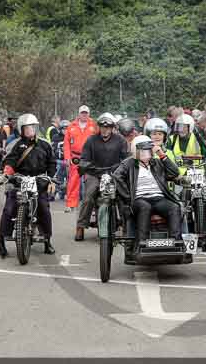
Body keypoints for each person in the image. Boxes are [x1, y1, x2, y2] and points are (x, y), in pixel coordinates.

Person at [112, 135, 182, 263]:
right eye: (143, 150)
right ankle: (141, 244)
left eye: (148, 150)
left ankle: (175, 243)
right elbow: (116, 176)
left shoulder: (156, 163)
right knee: (145, 207)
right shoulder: (128, 163)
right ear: (135, 152)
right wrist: (128, 197)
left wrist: (162, 154)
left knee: (174, 207)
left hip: (158, 198)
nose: (147, 153)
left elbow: (174, 173)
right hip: (139, 199)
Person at [0, 114, 57, 257]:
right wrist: (7, 173)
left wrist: (51, 179)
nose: (31, 130)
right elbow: (9, 161)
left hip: (39, 181)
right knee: (9, 208)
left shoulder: (45, 144)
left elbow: (52, 163)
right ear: (21, 129)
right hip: (19, 180)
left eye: (33, 127)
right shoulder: (16, 144)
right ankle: (1, 240)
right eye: (28, 128)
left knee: (44, 207)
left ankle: (47, 240)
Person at [75, 113, 128, 241]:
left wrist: (121, 168)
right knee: (88, 197)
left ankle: (126, 226)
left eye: (108, 127)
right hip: (95, 174)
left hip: (114, 174)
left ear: (113, 128)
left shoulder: (120, 140)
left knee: (123, 195)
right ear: (99, 128)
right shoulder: (91, 140)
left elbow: (126, 158)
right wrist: (85, 166)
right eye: (103, 127)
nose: (105, 130)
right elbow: (84, 158)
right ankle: (80, 226)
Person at [63, 105, 98, 212]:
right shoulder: (71, 126)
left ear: (89, 114)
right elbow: (66, 144)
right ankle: (71, 204)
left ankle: (91, 205)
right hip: (75, 157)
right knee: (73, 181)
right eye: (82, 113)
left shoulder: (94, 126)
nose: (84, 115)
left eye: (86, 113)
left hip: (90, 157)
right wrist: (67, 157)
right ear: (79, 114)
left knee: (91, 181)